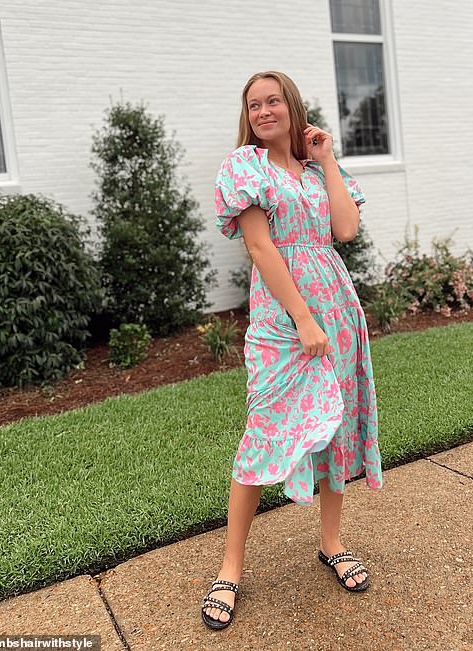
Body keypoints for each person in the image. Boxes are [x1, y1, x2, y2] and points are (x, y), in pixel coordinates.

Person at [201, 71, 383, 631]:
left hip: (338, 307)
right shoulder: (243, 168)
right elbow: (258, 245)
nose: (262, 111)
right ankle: (230, 569)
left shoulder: (311, 170)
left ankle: (332, 543)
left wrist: (326, 158)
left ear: (291, 106)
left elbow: (345, 229)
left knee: (335, 428)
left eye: (272, 100)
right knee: (264, 431)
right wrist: (302, 317)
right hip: (285, 318)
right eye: (253, 104)